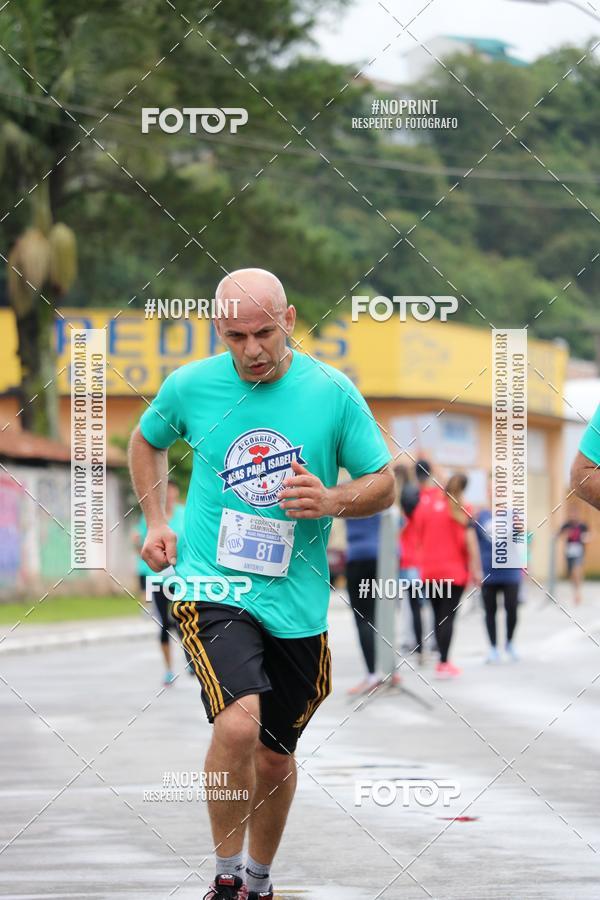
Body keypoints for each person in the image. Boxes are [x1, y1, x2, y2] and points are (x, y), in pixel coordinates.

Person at [128, 268, 395, 900]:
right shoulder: (190, 385)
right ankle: (225, 879)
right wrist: (157, 518)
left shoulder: (332, 392)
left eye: (264, 333)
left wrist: (331, 498)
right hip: (212, 588)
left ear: (291, 321)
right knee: (239, 726)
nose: (252, 349)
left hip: (297, 603)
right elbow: (146, 441)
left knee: (275, 754)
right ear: (220, 331)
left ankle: (259, 879)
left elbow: (384, 483)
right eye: (236, 336)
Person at [411, 471, 482, 679]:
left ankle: (441, 660)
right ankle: (443, 662)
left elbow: (417, 533)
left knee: (437, 616)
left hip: (430, 572)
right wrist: (476, 570)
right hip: (454, 572)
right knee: (448, 616)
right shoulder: (464, 509)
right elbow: (470, 543)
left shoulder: (426, 506)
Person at [133, 479, 192, 684]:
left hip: (180, 578)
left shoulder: (185, 514)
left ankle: (191, 659)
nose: (169, 495)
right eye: (164, 492)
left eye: (172, 491)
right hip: (157, 579)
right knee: (164, 625)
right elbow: (143, 547)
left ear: (176, 493)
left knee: (183, 620)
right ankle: (168, 669)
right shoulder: (150, 518)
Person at [475, 480, 522, 663]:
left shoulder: (513, 514)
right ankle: (493, 648)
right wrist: (476, 569)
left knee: (512, 609)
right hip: (488, 571)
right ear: (487, 493)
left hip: (510, 570)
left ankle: (509, 642)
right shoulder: (481, 515)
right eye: (492, 490)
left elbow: (524, 538)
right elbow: (474, 543)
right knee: (490, 611)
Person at [344, 512, 382, 694]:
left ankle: (373, 674)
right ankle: (388, 669)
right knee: (381, 616)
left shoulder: (351, 494)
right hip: (382, 557)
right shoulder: (380, 493)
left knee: (364, 619)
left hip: (358, 557)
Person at [396, 463, 426, 664]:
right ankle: (420, 645)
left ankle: (417, 644)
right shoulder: (418, 503)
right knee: (416, 605)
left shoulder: (401, 509)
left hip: (407, 562)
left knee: (411, 605)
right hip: (413, 561)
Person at [558, 513, 589, 605]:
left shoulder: (583, 525)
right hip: (569, 550)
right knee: (572, 573)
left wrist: (585, 538)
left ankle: (578, 593)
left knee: (577, 569)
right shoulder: (566, 525)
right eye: (572, 514)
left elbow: (588, 535)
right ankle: (575, 590)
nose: (574, 516)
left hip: (579, 550)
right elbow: (559, 535)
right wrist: (565, 535)